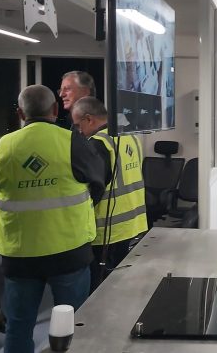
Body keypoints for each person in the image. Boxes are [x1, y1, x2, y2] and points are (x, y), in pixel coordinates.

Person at [0, 85, 105, 352]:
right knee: (75, 324)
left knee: (18, 326)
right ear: (55, 110)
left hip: (19, 253)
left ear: (21, 113)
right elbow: (98, 182)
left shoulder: (0, 146)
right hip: (69, 249)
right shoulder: (73, 142)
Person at [71, 96, 147, 291]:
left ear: (89, 119)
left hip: (108, 231)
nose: (79, 131)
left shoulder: (98, 143)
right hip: (134, 224)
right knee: (122, 285)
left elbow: (94, 188)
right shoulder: (130, 137)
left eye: (78, 125)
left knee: (101, 289)